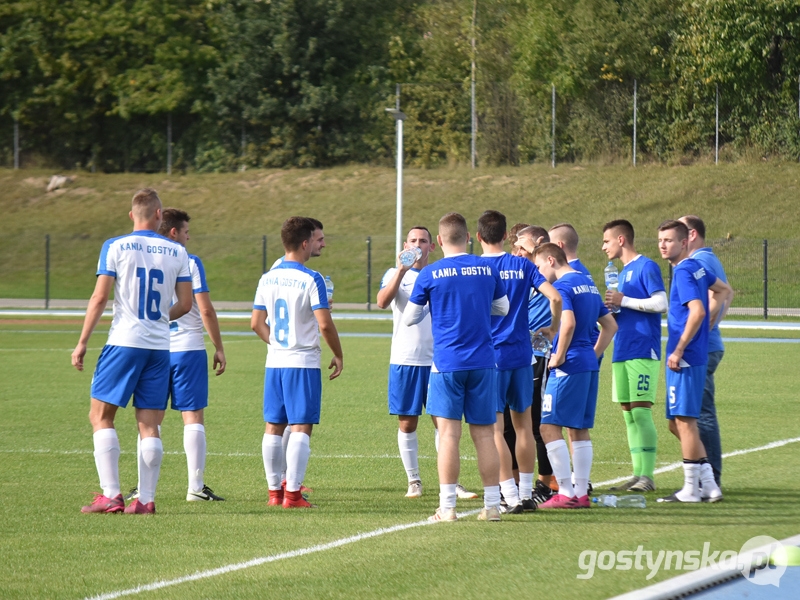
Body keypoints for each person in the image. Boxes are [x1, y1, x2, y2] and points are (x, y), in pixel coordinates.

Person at [72, 188, 193, 515]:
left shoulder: (114, 246)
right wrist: (157, 320)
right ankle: (146, 499)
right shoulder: (177, 252)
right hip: (158, 348)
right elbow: (186, 304)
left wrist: (82, 341)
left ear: (131, 215)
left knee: (100, 416)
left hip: (124, 342)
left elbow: (99, 298)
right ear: (158, 215)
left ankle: (111, 495)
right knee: (149, 423)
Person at [404, 212, 509, 522]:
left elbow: (410, 316)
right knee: (485, 436)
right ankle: (491, 506)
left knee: (449, 436)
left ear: (438, 241)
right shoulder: (486, 269)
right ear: (468, 238)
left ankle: (447, 507)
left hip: (448, 363)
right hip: (483, 361)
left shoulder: (430, 273)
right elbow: (502, 307)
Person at [376, 226, 478, 500]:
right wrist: (400, 270)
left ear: (433, 246)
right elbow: (382, 302)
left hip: (440, 359)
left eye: (423, 240)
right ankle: (414, 480)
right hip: (405, 358)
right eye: (413, 241)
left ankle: (452, 482)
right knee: (407, 423)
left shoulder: (442, 273)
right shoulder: (394, 274)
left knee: (443, 423)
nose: (418, 244)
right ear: (405, 245)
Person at [251, 217, 343, 508]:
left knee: (273, 426)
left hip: (275, 362)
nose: (323, 243)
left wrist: (278, 345)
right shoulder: (311, 278)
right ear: (305, 243)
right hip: (302, 362)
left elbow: (256, 323)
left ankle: (273, 493)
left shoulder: (267, 277)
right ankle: (292, 495)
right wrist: (338, 354)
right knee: (302, 427)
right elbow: (325, 325)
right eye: (319, 239)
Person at [477, 211, 561, 513]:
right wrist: (551, 328)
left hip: (493, 356)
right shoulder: (523, 265)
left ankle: (508, 495)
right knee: (525, 426)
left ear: (479, 237)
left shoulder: (477, 267)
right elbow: (555, 298)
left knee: (495, 430)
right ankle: (526, 494)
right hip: (523, 356)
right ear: (504, 236)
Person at [532, 243, 617, 509]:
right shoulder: (587, 283)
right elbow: (610, 325)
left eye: (538, 267)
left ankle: (566, 492)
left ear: (550, 260)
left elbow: (567, 323)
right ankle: (580, 492)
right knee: (578, 428)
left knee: (547, 426)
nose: (537, 272)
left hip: (569, 365)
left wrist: (559, 356)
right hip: (587, 363)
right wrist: (593, 353)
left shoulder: (564, 286)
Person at [655, 220, 731, 503]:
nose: (663, 245)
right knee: (676, 422)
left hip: (684, 358)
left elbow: (697, 311)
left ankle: (691, 489)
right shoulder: (696, 268)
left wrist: (680, 348)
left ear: (685, 242)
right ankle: (709, 484)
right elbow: (723, 290)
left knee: (685, 422)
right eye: (661, 240)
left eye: (670, 240)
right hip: (692, 355)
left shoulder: (685, 270)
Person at [601, 219, 667, 493]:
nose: (603, 247)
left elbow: (661, 303)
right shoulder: (622, 272)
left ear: (620, 240)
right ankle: (637, 474)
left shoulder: (646, 266)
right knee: (628, 414)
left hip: (642, 348)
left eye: (606, 241)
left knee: (641, 412)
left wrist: (623, 301)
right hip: (623, 348)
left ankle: (647, 476)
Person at [679, 215, 732, 487]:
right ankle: (705, 474)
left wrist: (704, 328)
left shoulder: (699, 260)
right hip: (707, 346)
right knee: (687, 416)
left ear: (691, 234)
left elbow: (720, 295)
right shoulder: (707, 259)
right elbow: (728, 293)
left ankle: (710, 477)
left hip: (703, 349)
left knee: (699, 413)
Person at [512, 226, 558, 502]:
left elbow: (557, 298)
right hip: (523, 355)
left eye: (522, 247)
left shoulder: (544, 275)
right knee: (521, 420)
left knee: (539, 420)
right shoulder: (523, 276)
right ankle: (522, 482)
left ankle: (546, 482)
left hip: (541, 354)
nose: (517, 252)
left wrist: (551, 330)